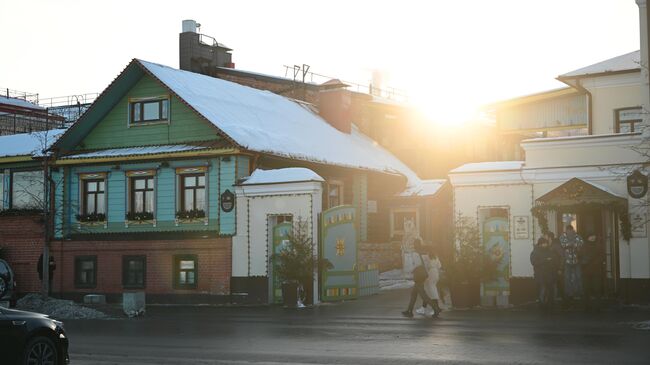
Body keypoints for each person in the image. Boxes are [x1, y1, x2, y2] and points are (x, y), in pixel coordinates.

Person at [402, 239, 441, 318]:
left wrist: (411, 271)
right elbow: (427, 263)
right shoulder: (424, 253)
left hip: (418, 274)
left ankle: (435, 308)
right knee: (414, 293)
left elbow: (416, 264)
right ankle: (409, 311)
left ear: (415, 245)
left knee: (423, 295)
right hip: (423, 274)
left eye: (414, 244)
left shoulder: (416, 253)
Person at [530, 237, 561, 311]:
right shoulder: (535, 252)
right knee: (543, 289)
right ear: (540, 244)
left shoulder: (550, 251)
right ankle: (542, 304)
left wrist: (556, 268)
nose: (545, 244)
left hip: (550, 274)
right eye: (544, 243)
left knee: (551, 290)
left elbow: (555, 261)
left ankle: (551, 304)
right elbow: (534, 262)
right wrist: (545, 260)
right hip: (541, 274)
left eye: (546, 243)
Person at [559, 225, 584, 306]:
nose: (569, 231)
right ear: (566, 230)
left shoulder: (577, 236)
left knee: (578, 277)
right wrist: (573, 244)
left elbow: (581, 244)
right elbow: (563, 245)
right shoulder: (563, 236)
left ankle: (579, 293)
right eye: (568, 230)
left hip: (576, 260)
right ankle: (569, 294)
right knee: (568, 278)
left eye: (571, 230)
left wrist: (570, 245)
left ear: (572, 230)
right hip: (567, 261)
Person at [581, 233, 605, 312]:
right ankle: (586, 306)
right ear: (588, 237)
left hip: (595, 270)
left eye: (594, 236)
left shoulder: (598, 245)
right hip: (587, 270)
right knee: (586, 289)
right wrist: (583, 262)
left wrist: (593, 262)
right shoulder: (583, 246)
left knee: (597, 289)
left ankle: (597, 306)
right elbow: (579, 256)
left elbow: (602, 256)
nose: (593, 237)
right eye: (591, 236)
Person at [415, 246, 442, 316]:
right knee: (429, 291)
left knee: (431, 291)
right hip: (436, 273)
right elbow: (439, 266)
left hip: (430, 273)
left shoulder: (426, 257)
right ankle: (424, 308)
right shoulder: (436, 257)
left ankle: (435, 308)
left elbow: (425, 266)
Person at [547, 232, 565, 303]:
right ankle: (552, 302)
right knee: (554, 285)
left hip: (556, 269)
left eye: (545, 236)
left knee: (559, 285)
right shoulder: (549, 245)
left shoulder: (556, 245)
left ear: (549, 237)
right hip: (550, 269)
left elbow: (562, 256)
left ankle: (565, 302)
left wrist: (560, 268)